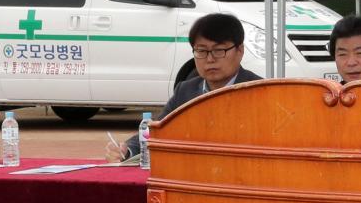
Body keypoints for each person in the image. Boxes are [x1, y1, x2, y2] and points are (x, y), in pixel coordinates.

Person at [104, 13, 262, 161]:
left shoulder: (260, 91)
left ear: (240, 50)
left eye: (219, 50)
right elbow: (158, 131)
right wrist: (127, 150)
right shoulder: (186, 91)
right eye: (201, 51)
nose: (210, 59)